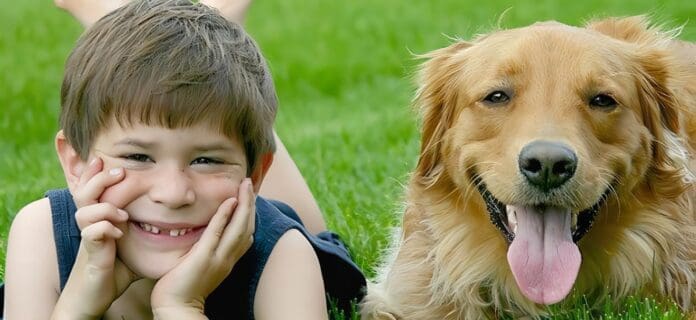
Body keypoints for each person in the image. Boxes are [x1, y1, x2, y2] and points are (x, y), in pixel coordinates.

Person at [3, 0, 365, 319]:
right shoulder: (40, 234)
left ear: (256, 175)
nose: (173, 193)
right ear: (75, 163)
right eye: (137, 156)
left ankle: (208, 40)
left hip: (267, 229)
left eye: (205, 160)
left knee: (313, 233)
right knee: (203, 110)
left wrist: (179, 307)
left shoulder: (283, 255)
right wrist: (76, 306)